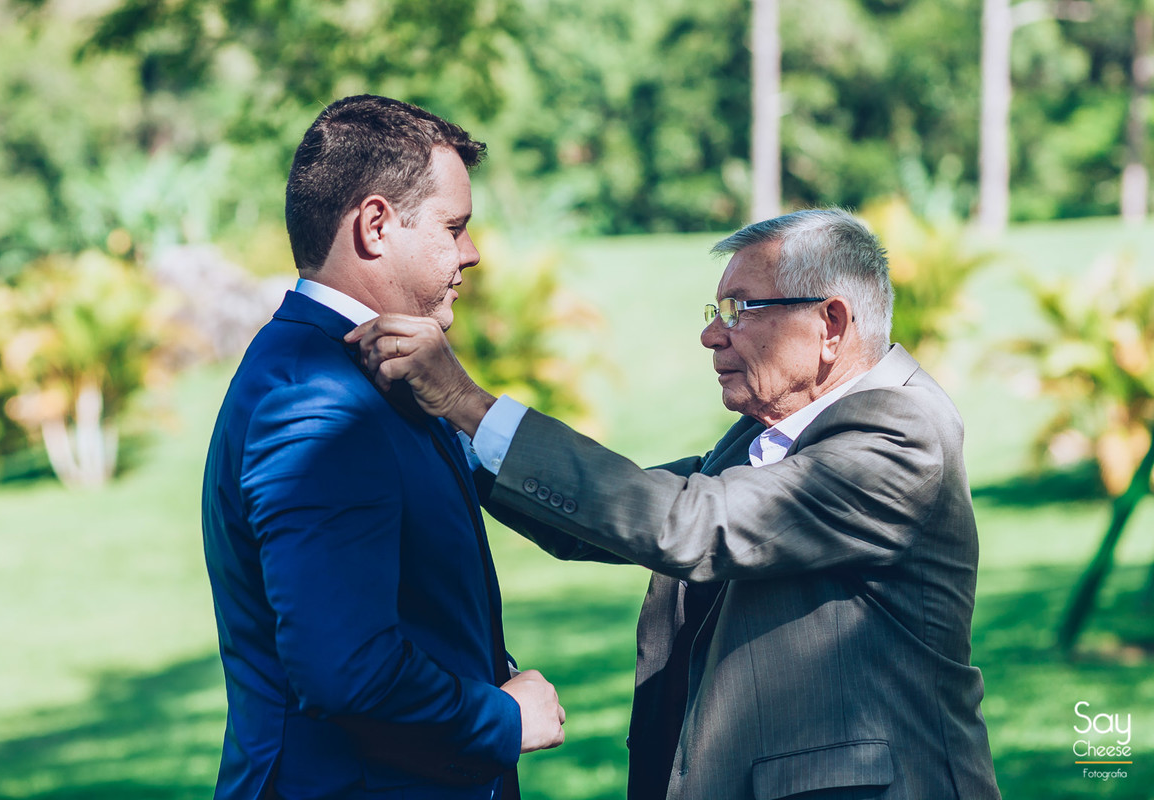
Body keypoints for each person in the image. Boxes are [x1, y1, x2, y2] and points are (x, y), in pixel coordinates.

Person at [349, 208, 1001, 800]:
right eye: (715, 310)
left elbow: (690, 524)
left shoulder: (900, 432)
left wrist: (468, 402)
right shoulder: (773, 432)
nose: (711, 336)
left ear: (829, 323)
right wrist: (449, 431)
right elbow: (611, 521)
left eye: (739, 310)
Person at [201, 94, 564, 800]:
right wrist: (500, 717)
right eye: (453, 227)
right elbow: (345, 666)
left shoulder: (363, 370)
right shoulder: (315, 399)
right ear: (375, 225)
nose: (472, 252)